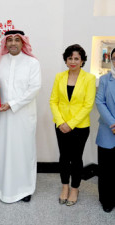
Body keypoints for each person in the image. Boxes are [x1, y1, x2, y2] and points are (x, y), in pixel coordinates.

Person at [0, 30, 41, 203]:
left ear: (23, 42)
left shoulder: (32, 63)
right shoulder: (0, 61)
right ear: (5, 43)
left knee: (23, 151)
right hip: (2, 116)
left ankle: (24, 188)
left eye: (16, 40)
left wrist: (12, 104)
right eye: (9, 40)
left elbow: (33, 89)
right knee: (3, 150)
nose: (12, 43)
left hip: (23, 116)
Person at [50, 44, 96, 206]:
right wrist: (61, 122)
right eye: (70, 58)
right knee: (63, 157)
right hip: (60, 125)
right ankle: (64, 187)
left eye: (77, 58)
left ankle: (75, 188)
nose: (73, 61)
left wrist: (71, 124)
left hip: (80, 126)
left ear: (82, 60)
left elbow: (88, 105)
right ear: (66, 60)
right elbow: (53, 101)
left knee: (76, 159)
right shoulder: (59, 77)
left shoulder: (89, 79)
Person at [95, 47, 115, 213]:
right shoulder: (104, 79)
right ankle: (106, 200)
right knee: (106, 169)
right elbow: (99, 102)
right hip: (108, 131)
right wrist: (112, 123)